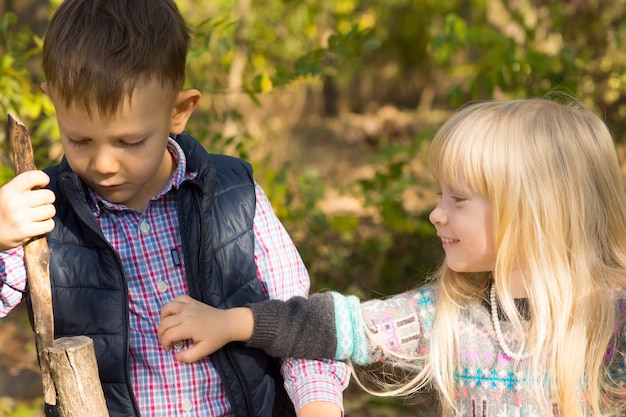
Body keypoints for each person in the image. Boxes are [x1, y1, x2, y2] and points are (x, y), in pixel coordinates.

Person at [158, 98, 626, 417]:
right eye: (440, 195)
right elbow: (335, 327)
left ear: (534, 212)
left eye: (458, 200)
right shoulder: (445, 314)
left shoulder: (611, 322)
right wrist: (231, 323)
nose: (436, 214)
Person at [0, 0, 349, 416]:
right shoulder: (42, 214)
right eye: (80, 140)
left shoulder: (234, 195)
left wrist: (318, 403)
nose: (104, 164)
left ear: (178, 112)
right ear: (53, 102)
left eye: (130, 142)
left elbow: (298, 323)